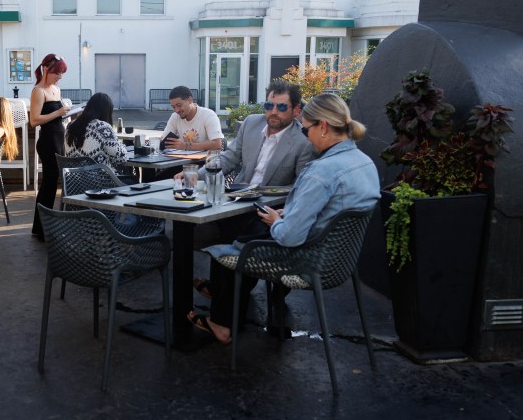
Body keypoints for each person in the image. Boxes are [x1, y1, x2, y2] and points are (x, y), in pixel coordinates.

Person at [189, 93, 381, 345]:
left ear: (323, 127)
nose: (306, 137)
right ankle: (228, 306)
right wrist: (287, 213)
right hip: (338, 263)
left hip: (304, 262)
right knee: (246, 230)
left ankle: (222, 324)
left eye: (306, 130)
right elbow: (330, 214)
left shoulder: (320, 171)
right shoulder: (365, 163)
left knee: (229, 248)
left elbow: (289, 237)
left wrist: (276, 221)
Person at [187, 82, 316, 322]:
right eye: (269, 105)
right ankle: (221, 294)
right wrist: (196, 175)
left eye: (281, 107)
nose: (273, 112)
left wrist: (259, 191)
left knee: (237, 238)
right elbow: (229, 157)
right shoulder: (251, 123)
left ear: (296, 110)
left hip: (269, 209)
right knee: (200, 226)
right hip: (236, 201)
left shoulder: (303, 141)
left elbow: (300, 187)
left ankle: (226, 312)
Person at [29, 53, 69, 239]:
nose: (60, 77)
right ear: (46, 69)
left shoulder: (56, 89)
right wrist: (59, 112)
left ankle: (42, 227)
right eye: (57, 73)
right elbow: (34, 120)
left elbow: (55, 116)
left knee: (52, 184)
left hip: (58, 139)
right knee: (49, 185)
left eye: (61, 73)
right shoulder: (38, 91)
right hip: (47, 142)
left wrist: (64, 113)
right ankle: (42, 228)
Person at [64, 92, 127, 170]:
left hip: (73, 176)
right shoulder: (102, 127)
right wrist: (123, 146)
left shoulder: (71, 125)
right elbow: (121, 157)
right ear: (107, 111)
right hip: (99, 177)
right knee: (129, 175)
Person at [160, 86, 224, 152]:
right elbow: (163, 140)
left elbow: (217, 144)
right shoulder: (175, 116)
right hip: (182, 157)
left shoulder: (208, 115)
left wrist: (186, 146)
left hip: (206, 157)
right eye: (173, 107)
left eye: (179, 105)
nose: (176, 110)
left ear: (190, 100)